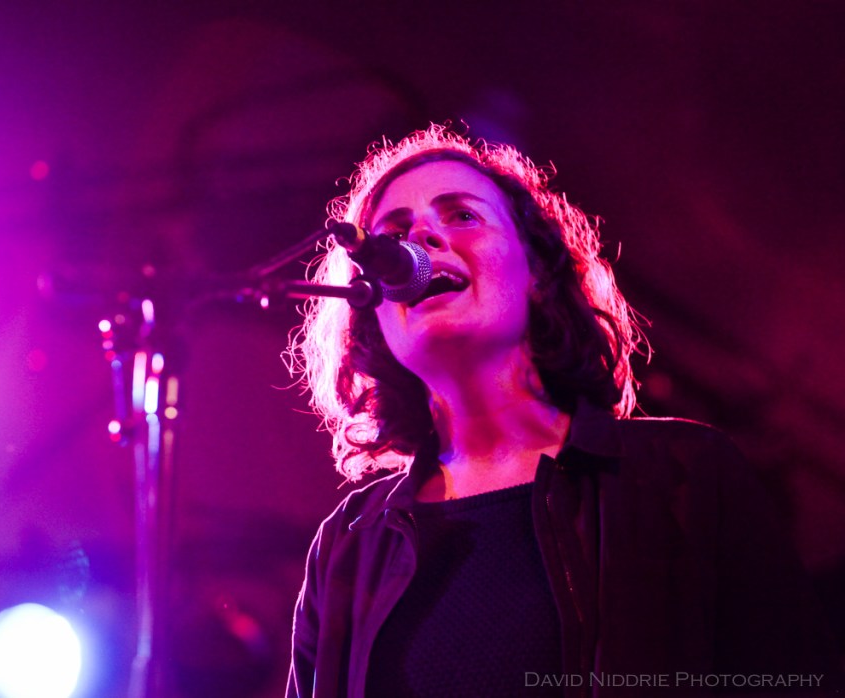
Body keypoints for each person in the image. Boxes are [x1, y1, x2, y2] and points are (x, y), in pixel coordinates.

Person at [284, 124, 839, 697]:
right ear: (374, 311)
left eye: (463, 216)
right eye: (394, 233)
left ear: (538, 275)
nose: (420, 237)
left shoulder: (684, 473)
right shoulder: (348, 544)